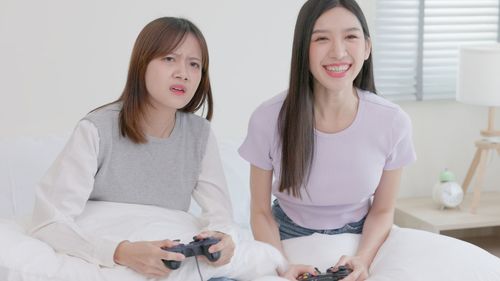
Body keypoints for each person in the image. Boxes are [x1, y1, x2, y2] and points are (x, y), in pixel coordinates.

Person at [29, 17, 236, 281]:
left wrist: (223, 239)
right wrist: (121, 252)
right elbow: (49, 221)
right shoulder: (96, 129)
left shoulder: (200, 134)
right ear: (141, 64)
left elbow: (221, 215)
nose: (183, 73)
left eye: (194, 64)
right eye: (169, 59)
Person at [238, 0, 416, 280]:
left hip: (362, 236)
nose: (338, 52)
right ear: (303, 50)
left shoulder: (393, 121)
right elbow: (260, 211)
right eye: (321, 38)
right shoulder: (268, 118)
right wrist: (283, 266)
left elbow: (382, 210)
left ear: (367, 47)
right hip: (284, 235)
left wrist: (362, 259)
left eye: (350, 37)